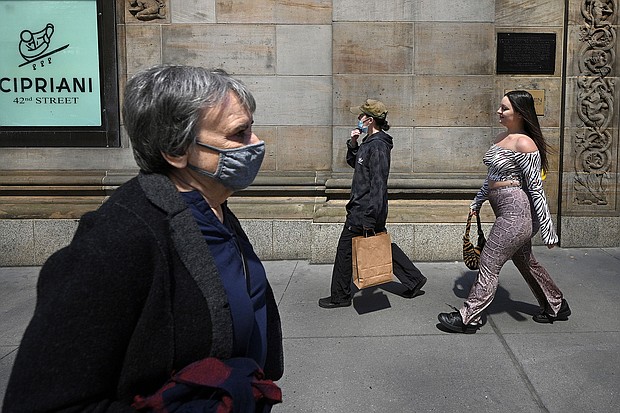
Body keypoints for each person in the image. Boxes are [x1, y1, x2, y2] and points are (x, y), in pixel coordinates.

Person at [3, 65, 284, 411]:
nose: (254, 144)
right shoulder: (115, 241)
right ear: (175, 150)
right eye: (238, 134)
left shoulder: (213, 205)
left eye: (251, 127)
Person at [438, 90, 570, 334]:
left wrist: (549, 232)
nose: (499, 112)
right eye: (500, 107)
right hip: (504, 212)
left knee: (488, 261)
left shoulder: (525, 143)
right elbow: (492, 178)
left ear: (519, 113)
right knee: (526, 262)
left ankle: (469, 317)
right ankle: (556, 305)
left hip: (518, 215)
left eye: (504, 108)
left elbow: (536, 189)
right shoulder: (500, 138)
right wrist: (477, 201)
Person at [318, 99, 427, 309]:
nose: (357, 119)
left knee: (345, 251)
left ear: (368, 119)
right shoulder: (369, 143)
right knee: (379, 245)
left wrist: (369, 216)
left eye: (360, 116)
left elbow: (378, 183)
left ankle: (339, 297)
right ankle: (413, 279)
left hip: (364, 209)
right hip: (365, 208)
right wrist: (353, 144)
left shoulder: (378, 146)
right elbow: (356, 164)